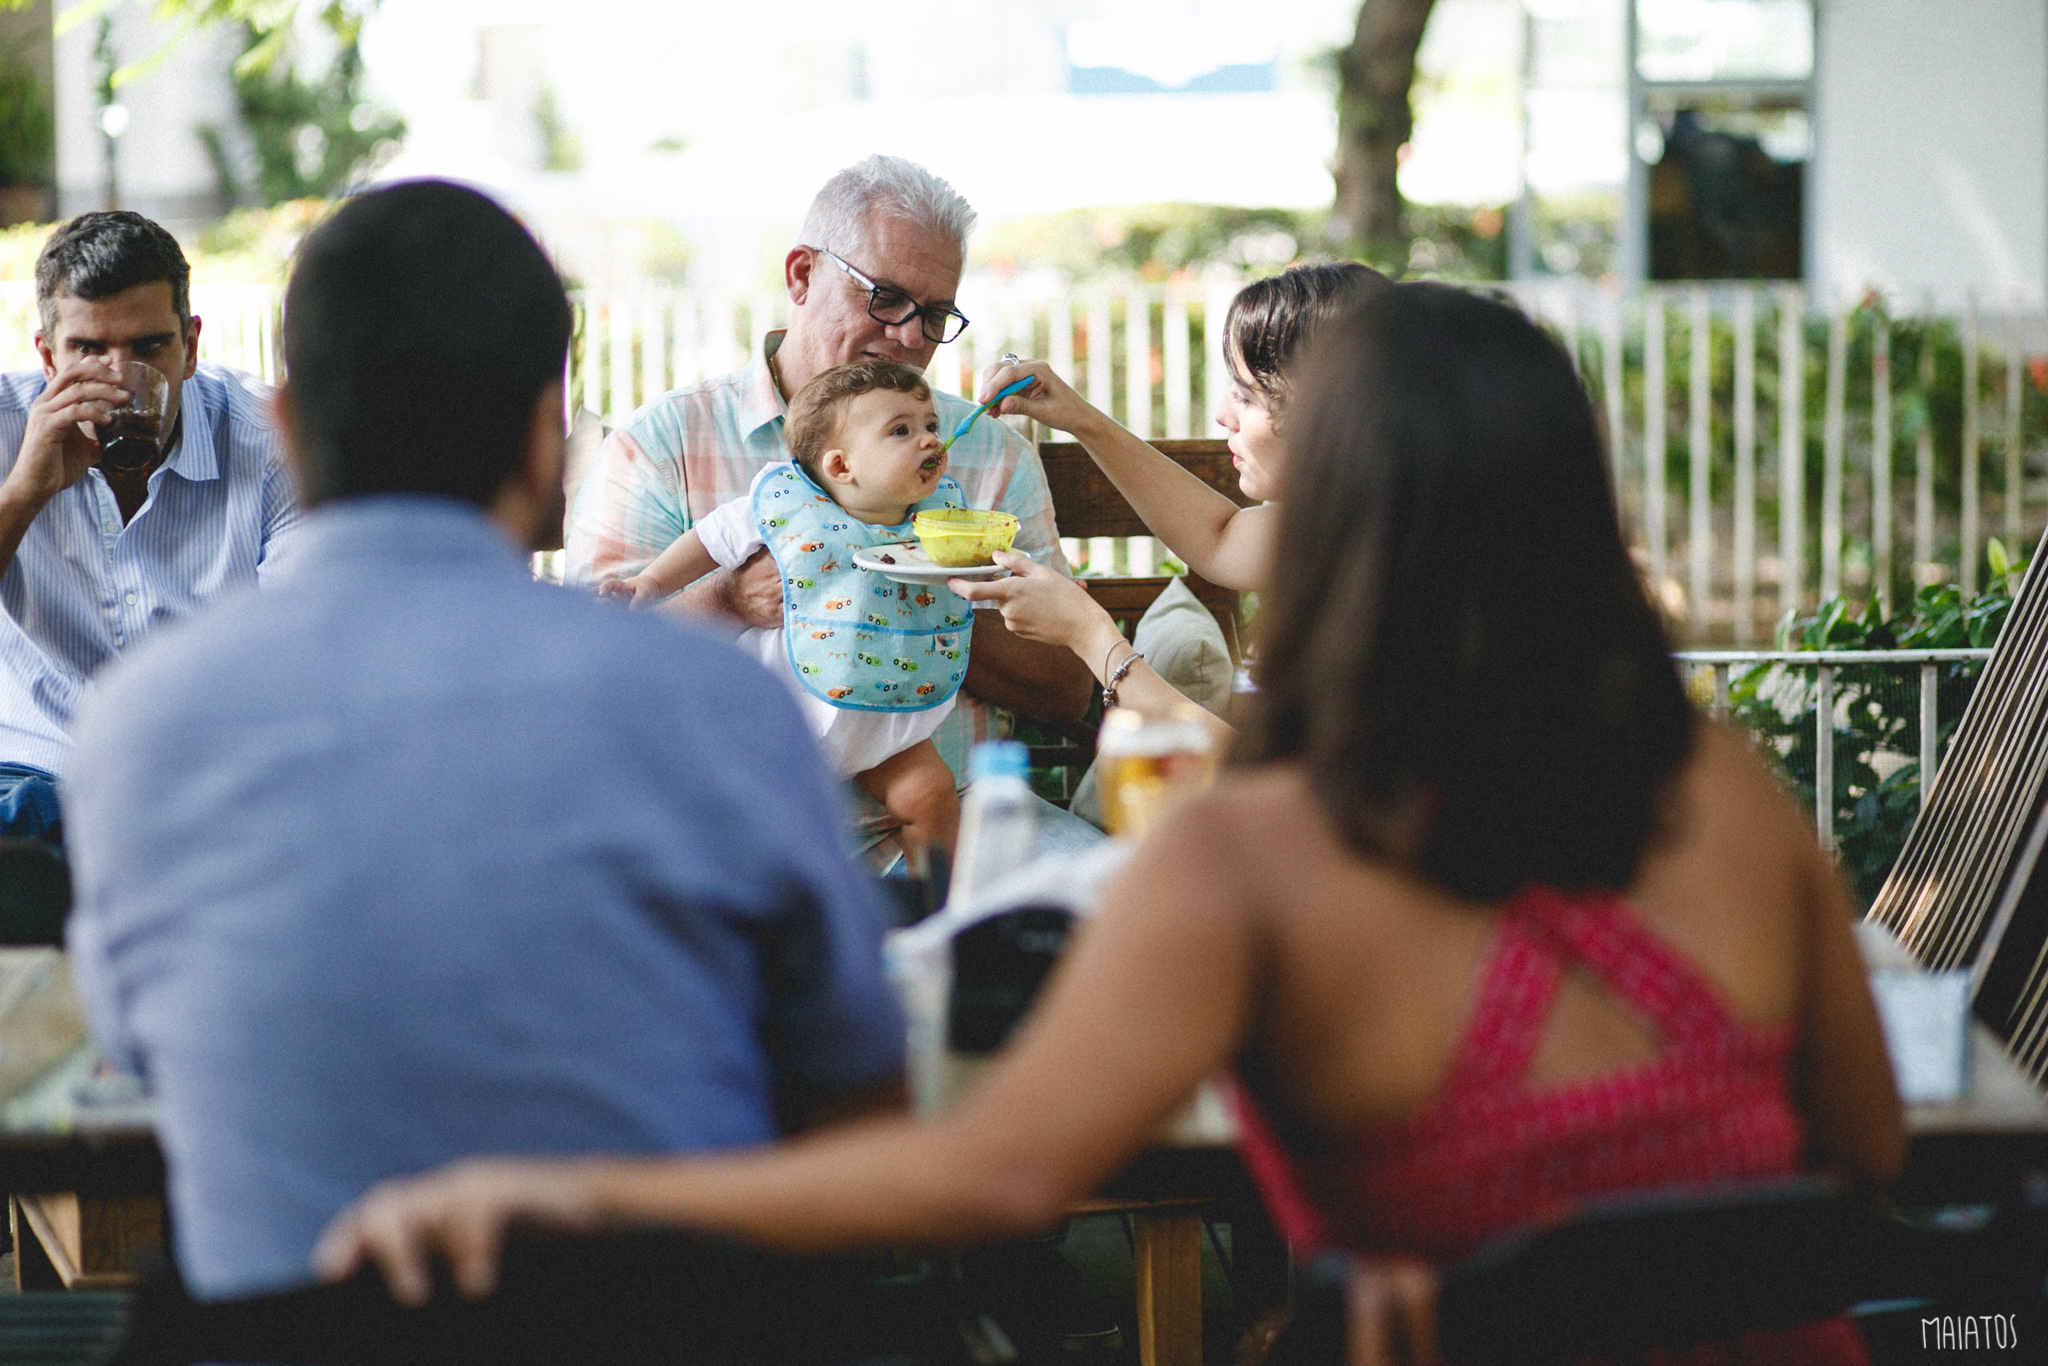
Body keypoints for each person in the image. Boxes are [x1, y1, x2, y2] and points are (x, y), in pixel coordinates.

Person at [317, 283, 1905, 1365]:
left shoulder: (1259, 854)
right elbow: (1866, 1156)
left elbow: (981, 1178)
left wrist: (575, 1186)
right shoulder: (1731, 800)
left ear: (1334, 518)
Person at [62, 180, 906, 1304]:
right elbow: (859, 1092)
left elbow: (142, 1051)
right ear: (543, 435)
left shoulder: (135, 728)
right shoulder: (719, 707)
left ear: (284, 427)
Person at [566, 154, 1095, 866]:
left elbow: (1066, 688)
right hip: (734, 846)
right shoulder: (663, 446)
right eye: (886, 297)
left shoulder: (985, 456)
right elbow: (595, 680)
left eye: (936, 315)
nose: (911, 336)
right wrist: (726, 599)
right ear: (801, 276)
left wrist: (919, 604)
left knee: (1140, 917)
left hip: (962, 826)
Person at [950, 262, 1385, 732]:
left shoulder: (1398, 576)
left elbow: (1269, 780)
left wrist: (1090, 634)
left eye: (1246, 396)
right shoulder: (1356, 519)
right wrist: (1080, 418)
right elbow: (1219, 539)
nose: (1222, 414)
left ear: (1327, 411)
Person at [0, 211, 297, 842]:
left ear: (190, 347)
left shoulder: (272, 441)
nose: (117, 377)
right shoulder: (6, 428)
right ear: (48, 357)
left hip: (210, 783)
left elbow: (305, 640)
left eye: (148, 348)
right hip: (34, 777)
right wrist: (24, 493)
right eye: (87, 350)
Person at [604, 359, 973, 854]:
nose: (930, 441)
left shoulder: (941, 518)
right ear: (841, 466)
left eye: (931, 426)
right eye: (901, 430)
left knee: (931, 796)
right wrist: (648, 583)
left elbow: (979, 567)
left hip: (889, 716)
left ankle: (934, 913)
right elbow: (710, 541)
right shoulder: (787, 504)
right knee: (760, 822)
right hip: (787, 716)